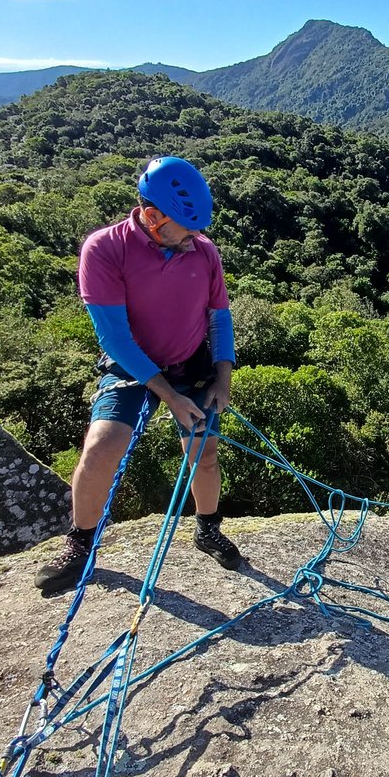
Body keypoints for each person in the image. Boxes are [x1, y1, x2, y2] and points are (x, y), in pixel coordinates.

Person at [35, 156, 240, 594]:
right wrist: (167, 396)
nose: (195, 241)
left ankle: (206, 528)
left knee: (204, 453)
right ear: (151, 216)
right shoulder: (105, 249)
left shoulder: (203, 251)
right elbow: (116, 341)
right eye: (186, 231)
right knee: (101, 447)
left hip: (190, 364)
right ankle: (81, 542)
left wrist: (222, 379)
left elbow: (219, 317)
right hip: (131, 367)